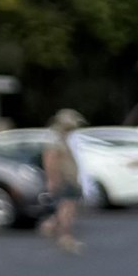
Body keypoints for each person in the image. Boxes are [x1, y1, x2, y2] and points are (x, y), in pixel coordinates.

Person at [41, 108, 86, 253]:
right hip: (64, 179)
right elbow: (50, 161)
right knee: (66, 209)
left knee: (69, 209)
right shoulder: (55, 141)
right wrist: (53, 180)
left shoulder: (65, 139)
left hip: (71, 179)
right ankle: (65, 238)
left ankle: (50, 226)